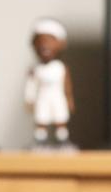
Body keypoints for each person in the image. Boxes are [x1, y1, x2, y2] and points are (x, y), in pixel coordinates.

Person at [24, 17, 75, 147]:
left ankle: (62, 138)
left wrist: (69, 100)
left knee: (59, 117)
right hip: (42, 98)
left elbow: (66, 86)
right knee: (41, 118)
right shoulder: (36, 69)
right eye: (40, 41)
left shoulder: (60, 67)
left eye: (50, 40)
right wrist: (29, 100)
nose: (44, 45)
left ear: (60, 44)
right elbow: (31, 86)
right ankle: (40, 139)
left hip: (57, 97)